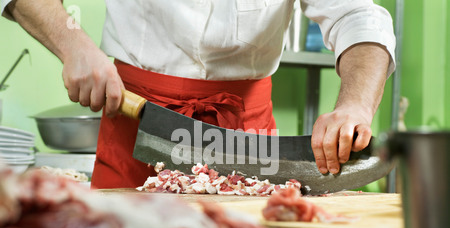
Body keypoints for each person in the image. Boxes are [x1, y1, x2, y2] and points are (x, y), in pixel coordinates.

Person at [1, 0, 396, 189]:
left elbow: (358, 15)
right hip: (135, 120)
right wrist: (74, 45)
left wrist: (355, 104)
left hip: (247, 142)